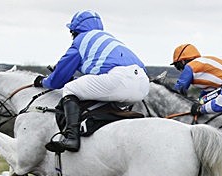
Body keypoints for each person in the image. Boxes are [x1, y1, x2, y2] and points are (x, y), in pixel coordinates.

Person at [34, 10, 149, 153]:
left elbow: (58, 80)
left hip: (119, 80)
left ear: (75, 30)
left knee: (70, 88)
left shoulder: (80, 40)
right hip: (143, 84)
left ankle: (72, 137)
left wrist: (42, 82)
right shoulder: (109, 39)